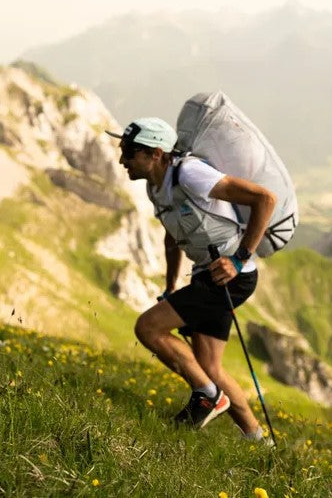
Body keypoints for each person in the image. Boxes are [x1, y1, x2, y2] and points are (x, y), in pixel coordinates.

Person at [106, 117, 277, 440]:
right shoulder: (155, 187)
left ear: (156, 154)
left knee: (148, 327)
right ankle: (257, 439)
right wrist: (171, 286)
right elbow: (173, 239)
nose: (122, 159)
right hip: (209, 275)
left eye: (129, 151)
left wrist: (239, 260)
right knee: (209, 366)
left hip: (229, 276)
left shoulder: (190, 174)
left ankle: (207, 396)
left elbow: (264, 200)